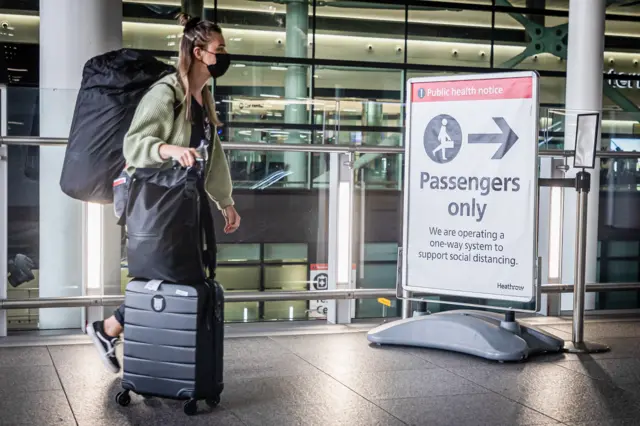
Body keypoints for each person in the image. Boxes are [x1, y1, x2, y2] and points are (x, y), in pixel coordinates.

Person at [87, 13, 241, 373]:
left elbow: (212, 156)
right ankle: (113, 330)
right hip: (155, 202)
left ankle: (135, 340)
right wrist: (170, 150)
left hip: (183, 200)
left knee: (186, 274)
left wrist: (226, 201)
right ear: (200, 52)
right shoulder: (166, 92)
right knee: (175, 273)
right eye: (220, 49)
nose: (225, 55)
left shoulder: (204, 97)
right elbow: (135, 144)